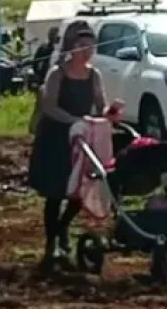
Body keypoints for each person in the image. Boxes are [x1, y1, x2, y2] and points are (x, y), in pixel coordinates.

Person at [27, 21, 108, 273]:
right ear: (70, 48)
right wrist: (73, 121)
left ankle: (63, 227)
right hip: (56, 138)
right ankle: (51, 244)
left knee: (79, 190)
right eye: (81, 45)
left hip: (81, 139)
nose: (87, 50)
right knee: (55, 193)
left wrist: (110, 113)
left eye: (90, 46)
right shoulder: (57, 73)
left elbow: (100, 104)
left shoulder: (94, 75)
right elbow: (50, 106)